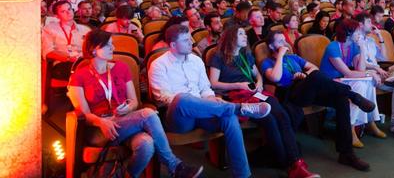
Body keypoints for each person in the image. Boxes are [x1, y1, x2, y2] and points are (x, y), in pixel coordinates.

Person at [67, 30, 203, 178]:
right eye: (107, 46)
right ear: (93, 49)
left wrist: (128, 107)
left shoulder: (121, 67)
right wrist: (101, 122)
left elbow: (134, 101)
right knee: (148, 114)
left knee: (146, 144)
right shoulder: (79, 76)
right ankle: (175, 166)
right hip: (99, 128)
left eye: (112, 44)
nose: (113, 48)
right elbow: (84, 113)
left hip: (125, 121)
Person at [148, 24, 271, 178]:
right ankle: (238, 107)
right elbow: (164, 98)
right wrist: (197, 101)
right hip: (180, 118)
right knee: (181, 98)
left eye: (190, 38)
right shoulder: (158, 65)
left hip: (204, 111)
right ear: (173, 45)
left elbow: (206, 88)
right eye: (186, 40)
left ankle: (243, 175)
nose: (191, 43)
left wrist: (211, 99)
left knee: (229, 118)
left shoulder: (196, 60)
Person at [209, 26, 320, 178]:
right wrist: (238, 85)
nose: (245, 36)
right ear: (231, 37)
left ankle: (295, 163)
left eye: (244, 34)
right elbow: (214, 83)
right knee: (269, 120)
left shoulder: (246, 55)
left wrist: (260, 83)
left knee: (281, 114)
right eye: (241, 34)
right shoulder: (218, 56)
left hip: (255, 93)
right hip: (235, 95)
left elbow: (257, 74)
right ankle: (290, 165)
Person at [261, 30, 372, 171]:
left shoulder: (294, 58)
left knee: (341, 99)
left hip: (307, 90)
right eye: (280, 41)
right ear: (271, 46)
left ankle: (346, 153)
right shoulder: (267, 62)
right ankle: (354, 95)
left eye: (285, 40)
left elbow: (313, 68)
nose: (285, 43)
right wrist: (280, 56)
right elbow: (275, 78)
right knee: (315, 77)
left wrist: (304, 74)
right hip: (290, 94)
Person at [319, 19, 382, 148]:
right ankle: (350, 128)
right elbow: (348, 72)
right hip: (329, 82)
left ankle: (370, 121)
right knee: (360, 84)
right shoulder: (333, 47)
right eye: (357, 32)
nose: (360, 34)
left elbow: (360, 70)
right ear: (348, 33)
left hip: (342, 80)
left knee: (368, 83)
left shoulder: (353, 46)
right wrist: (371, 73)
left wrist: (363, 48)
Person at [353, 13, 394, 139]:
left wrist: (380, 37)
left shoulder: (370, 40)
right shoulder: (354, 41)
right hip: (370, 74)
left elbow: (383, 57)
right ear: (360, 25)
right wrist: (376, 68)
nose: (372, 25)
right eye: (369, 22)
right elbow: (358, 65)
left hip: (382, 71)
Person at [42, 0, 91, 80]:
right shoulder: (50, 29)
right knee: (85, 72)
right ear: (57, 16)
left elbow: (91, 49)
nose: (68, 13)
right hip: (63, 63)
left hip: (83, 62)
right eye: (63, 11)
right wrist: (68, 58)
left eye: (69, 9)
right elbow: (48, 52)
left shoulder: (85, 29)